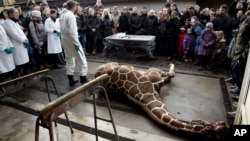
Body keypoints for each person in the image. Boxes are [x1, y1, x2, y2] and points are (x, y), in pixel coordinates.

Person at [59, 0, 88, 86]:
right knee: (81, 59)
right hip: (72, 40)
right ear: (73, 6)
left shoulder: (62, 15)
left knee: (69, 58)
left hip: (64, 39)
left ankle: (70, 79)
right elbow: (72, 31)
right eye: (76, 6)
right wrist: (76, 43)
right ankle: (83, 78)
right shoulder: (70, 15)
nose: (77, 7)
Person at [230, 0, 250, 95]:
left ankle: (240, 92)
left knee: (238, 71)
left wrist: (245, 52)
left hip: (242, 51)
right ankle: (238, 86)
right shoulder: (246, 15)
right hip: (237, 48)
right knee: (234, 70)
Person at [3, 7, 31, 76]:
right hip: (17, 46)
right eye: (15, 13)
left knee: (25, 62)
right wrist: (23, 41)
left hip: (22, 45)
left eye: (18, 13)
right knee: (20, 63)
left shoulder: (15, 22)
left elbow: (21, 32)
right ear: (10, 14)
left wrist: (26, 40)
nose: (18, 14)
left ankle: (26, 76)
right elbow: (14, 34)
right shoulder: (7, 23)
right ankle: (21, 77)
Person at [0, 10, 15, 82]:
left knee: (9, 67)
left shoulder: (1, 25)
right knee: (4, 69)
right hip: (2, 51)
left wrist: (10, 45)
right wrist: (4, 48)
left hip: (7, 48)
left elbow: (6, 36)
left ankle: (10, 81)